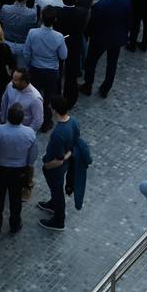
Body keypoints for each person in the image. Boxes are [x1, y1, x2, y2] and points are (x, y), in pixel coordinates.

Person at [0, 103, 36, 234]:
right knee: (15, 199)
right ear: (22, 118)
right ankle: (15, 224)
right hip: (19, 171)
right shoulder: (29, 133)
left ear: (8, 116)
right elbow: (32, 157)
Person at [39, 98, 86, 232]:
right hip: (65, 164)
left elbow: (59, 159)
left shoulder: (58, 133)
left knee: (57, 191)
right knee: (57, 191)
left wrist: (47, 165)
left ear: (54, 110)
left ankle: (59, 220)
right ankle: (53, 204)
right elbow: (76, 142)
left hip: (56, 167)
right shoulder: (74, 122)